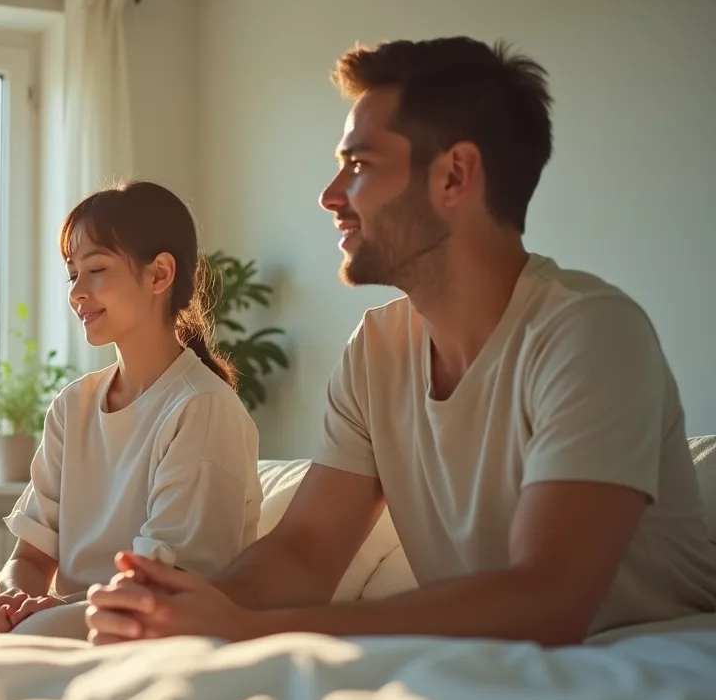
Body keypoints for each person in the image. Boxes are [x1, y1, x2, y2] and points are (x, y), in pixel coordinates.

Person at [85, 36, 716, 647]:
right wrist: (188, 607)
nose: (331, 196)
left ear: (454, 176)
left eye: (359, 165)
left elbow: (546, 598)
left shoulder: (591, 332)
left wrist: (250, 630)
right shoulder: (378, 349)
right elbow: (305, 552)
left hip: (641, 658)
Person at [0, 180, 263, 640]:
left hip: (143, 614)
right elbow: (30, 558)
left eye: (96, 268)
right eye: (71, 273)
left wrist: (41, 613)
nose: (78, 291)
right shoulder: (72, 405)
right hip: (65, 607)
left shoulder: (202, 407)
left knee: (26, 635)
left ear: (160, 275)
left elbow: (164, 585)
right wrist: (18, 598)